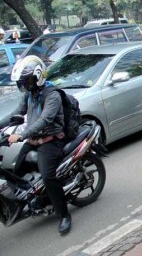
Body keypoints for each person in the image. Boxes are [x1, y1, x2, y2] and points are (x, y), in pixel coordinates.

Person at [0, 56, 72, 235]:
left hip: (51, 141)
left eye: (27, 80)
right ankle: (33, 201)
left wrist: (21, 135)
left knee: (48, 177)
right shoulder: (30, 94)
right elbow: (17, 113)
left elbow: (45, 120)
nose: (24, 84)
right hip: (33, 141)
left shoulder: (52, 94)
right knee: (16, 173)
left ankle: (64, 215)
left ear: (38, 76)